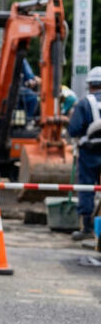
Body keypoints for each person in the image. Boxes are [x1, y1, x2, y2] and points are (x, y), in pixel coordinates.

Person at [66, 67, 101, 241]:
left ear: (90, 85)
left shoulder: (84, 103)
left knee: (87, 187)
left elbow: (73, 130)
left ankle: (87, 228)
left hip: (90, 152)